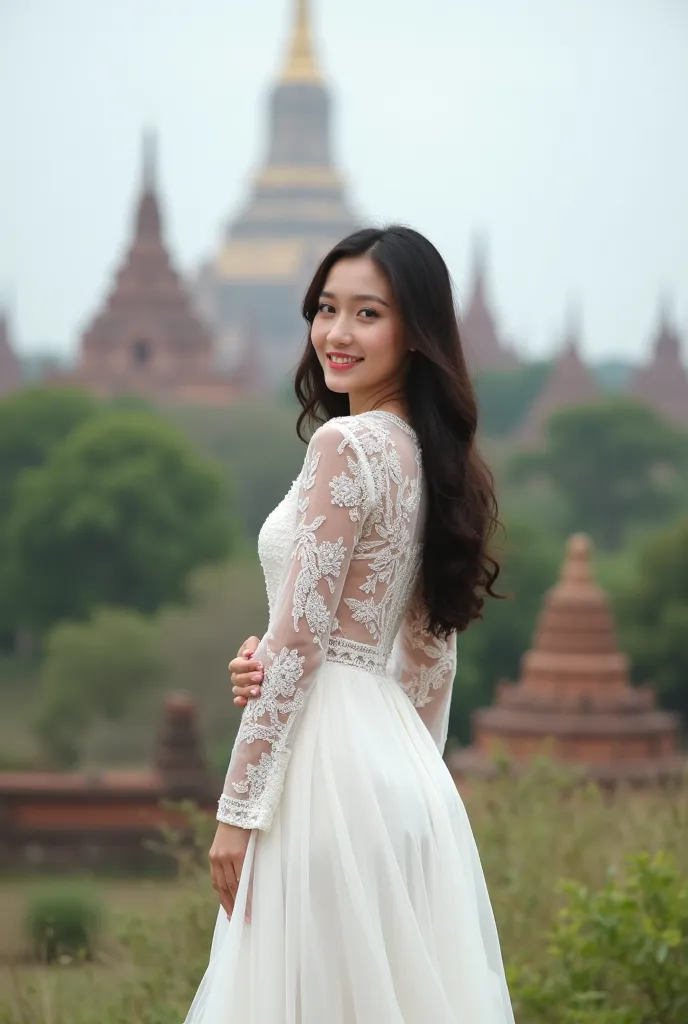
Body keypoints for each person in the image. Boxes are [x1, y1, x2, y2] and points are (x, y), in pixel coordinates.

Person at [184, 226, 515, 1023]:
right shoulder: (436, 463)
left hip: (323, 776)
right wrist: (396, 768)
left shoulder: (346, 443)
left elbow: (303, 639)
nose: (337, 333)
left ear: (416, 332)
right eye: (327, 308)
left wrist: (238, 812)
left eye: (369, 313)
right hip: (404, 782)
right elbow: (429, 663)